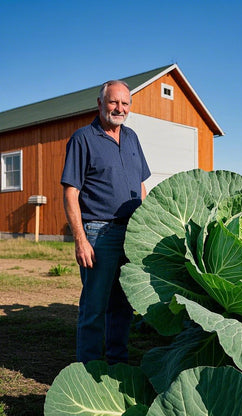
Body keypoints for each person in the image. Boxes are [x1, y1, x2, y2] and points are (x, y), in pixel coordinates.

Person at [61, 80, 151, 364]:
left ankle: (117, 364)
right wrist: (80, 239)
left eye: (125, 103)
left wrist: (148, 225)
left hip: (131, 234)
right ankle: (87, 370)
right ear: (100, 103)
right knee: (94, 307)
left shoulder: (133, 137)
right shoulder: (83, 138)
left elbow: (140, 184)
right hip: (99, 233)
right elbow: (70, 192)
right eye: (113, 102)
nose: (119, 108)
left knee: (123, 305)